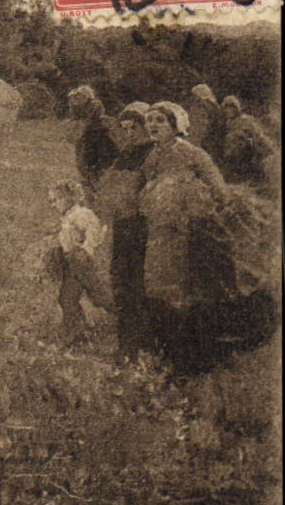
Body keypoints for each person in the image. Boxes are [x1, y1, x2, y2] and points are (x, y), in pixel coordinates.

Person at [137, 101, 277, 374]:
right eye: (149, 121)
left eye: (160, 121)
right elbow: (146, 187)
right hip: (163, 233)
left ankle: (203, 350)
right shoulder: (151, 157)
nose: (153, 126)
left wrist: (205, 205)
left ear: (175, 126)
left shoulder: (192, 153)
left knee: (199, 288)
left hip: (197, 229)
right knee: (165, 288)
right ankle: (170, 347)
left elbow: (219, 188)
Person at [92, 102, 155, 358]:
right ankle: (127, 344)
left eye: (135, 127)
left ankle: (142, 343)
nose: (130, 133)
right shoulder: (124, 155)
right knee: (121, 281)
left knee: (141, 284)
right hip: (124, 225)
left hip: (145, 226)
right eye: (125, 128)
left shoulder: (153, 153)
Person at [47, 178, 113, 342]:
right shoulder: (68, 216)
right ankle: (75, 333)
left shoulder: (81, 214)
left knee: (100, 297)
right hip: (72, 264)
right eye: (51, 201)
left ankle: (127, 317)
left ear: (68, 198)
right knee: (67, 298)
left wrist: (85, 250)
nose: (53, 205)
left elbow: (93, 232)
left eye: (56, 200)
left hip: (83, 263)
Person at [215, 95, 278, 192]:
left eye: (230, 107)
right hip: (238, 150)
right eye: (226, 108)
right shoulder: (229, 122)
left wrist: (249, 143)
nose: (228, 111)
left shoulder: (246, 120)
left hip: (252, 147)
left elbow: (255, 137)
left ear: (236, 108)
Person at [68, 86, 119, 193]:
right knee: (83, 159)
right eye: (77, 96)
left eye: (80, 96)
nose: (78, 98)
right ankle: (90, 180)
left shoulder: (95, 104)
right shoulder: (77, 106)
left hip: (99, 134)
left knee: (100, 158)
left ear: (87, 95)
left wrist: (82, 124)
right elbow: (74, 119)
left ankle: (99, 181)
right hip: (86, 135)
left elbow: (91, 119)